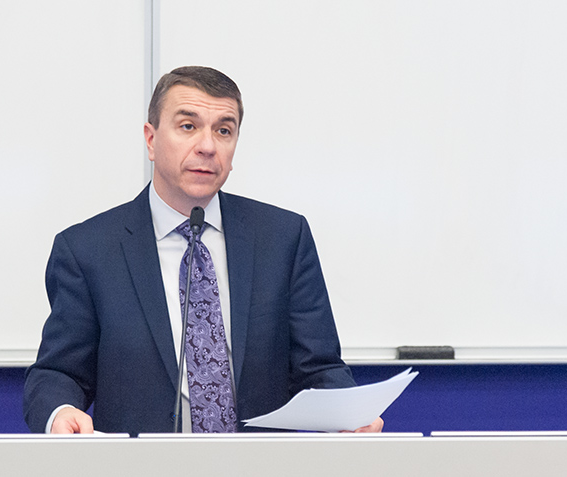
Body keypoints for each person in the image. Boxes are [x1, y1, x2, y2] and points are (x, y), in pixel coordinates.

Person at [23, 66, 383, 435]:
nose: (208, 146)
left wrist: (349, 414)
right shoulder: (88, 250)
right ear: (150, 140)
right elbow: (58, 372)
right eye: (188, 126)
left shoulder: (283, 239)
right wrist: (60, 411)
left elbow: (319, 369)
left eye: (224, 130)